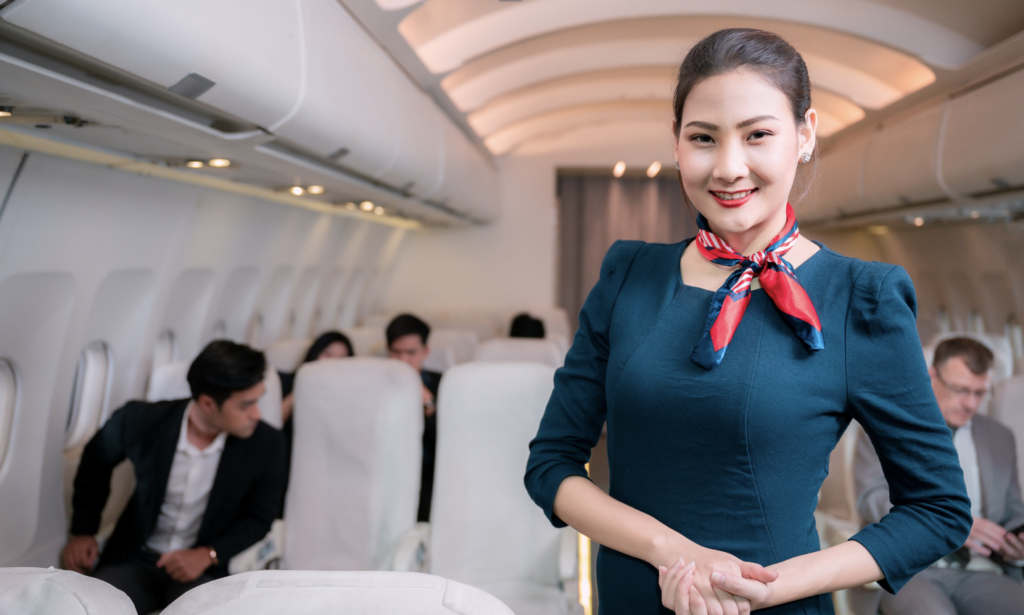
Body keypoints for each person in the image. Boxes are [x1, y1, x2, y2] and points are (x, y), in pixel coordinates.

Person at [524, 28, 972, 615]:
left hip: (773, 604)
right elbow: (551, 464)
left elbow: (937, 508)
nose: (729, 168)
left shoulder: (862, 298)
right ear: (678, 144)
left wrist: (764, 586)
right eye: (703, 138)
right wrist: (673, 552)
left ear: (804, 134)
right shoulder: (628, 274)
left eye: (758, 134)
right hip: (632, 599)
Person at [62, 340, 287, 614]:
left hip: (201, 569)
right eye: (246, 405)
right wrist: (83, 531)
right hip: (135, 558)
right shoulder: (141, 420)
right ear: (207, 403)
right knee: (87, 608)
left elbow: (260, 517)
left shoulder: (268, 444)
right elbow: (96, 460)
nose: (257, 414)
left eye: (258, 401)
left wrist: (208, 554)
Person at [855, 337, 1024, 615]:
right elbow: (870, 498)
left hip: (981, 570)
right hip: (912, 567)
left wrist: (1016, 548)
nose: (970, 404)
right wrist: (948, 524)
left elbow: (1014, 513)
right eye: (960, 389)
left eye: (980, 393)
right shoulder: (891, 425)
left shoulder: (1000, 438)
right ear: (932, 375)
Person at [277, 330, 354, 516]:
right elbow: (274, 423)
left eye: (341, 359)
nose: (332, 363)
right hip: (286, 460)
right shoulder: (286, 382)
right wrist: (302, 387)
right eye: (327, 354)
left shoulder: (349, 396)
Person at [386, 313, 441, 522]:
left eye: (411, 353)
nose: (403, 360)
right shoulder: (375, 383)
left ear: (425, 351)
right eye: (396, 352)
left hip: (427, 475)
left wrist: (428, 402)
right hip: (387, 473)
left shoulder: (441, 385)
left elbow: (446, 444)